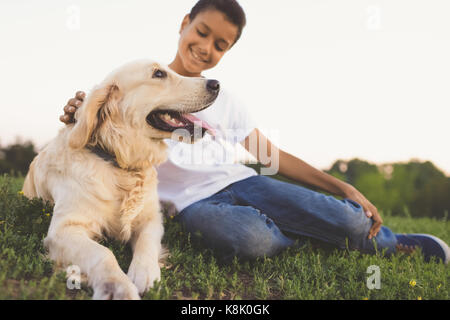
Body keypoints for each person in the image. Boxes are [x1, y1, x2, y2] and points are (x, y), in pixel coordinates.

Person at [60, 0, 449, 264]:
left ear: (227, 51)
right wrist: (77, 112)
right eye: (202, 32)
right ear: (184, 24)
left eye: (220, 44)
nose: (205, 47)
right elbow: (100, 116)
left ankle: (392, 244)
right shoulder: (139, 81)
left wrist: (341, 187)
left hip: (244, 184)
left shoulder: (221, 97)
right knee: (249, 239)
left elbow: (270, 157)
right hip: (191, 206)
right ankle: (315, 241)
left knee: (347, 219)